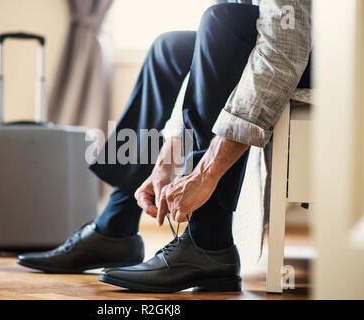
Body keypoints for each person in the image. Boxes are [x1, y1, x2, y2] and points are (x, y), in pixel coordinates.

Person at [17, 0, 312, 292]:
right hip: (279, 40)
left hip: (326, 54)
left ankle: (210, 242)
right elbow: (207, 64)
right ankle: (116, 225)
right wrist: (166, 160)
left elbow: (283, 51)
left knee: (225, 21)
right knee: (169, 48)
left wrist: (205, 174)